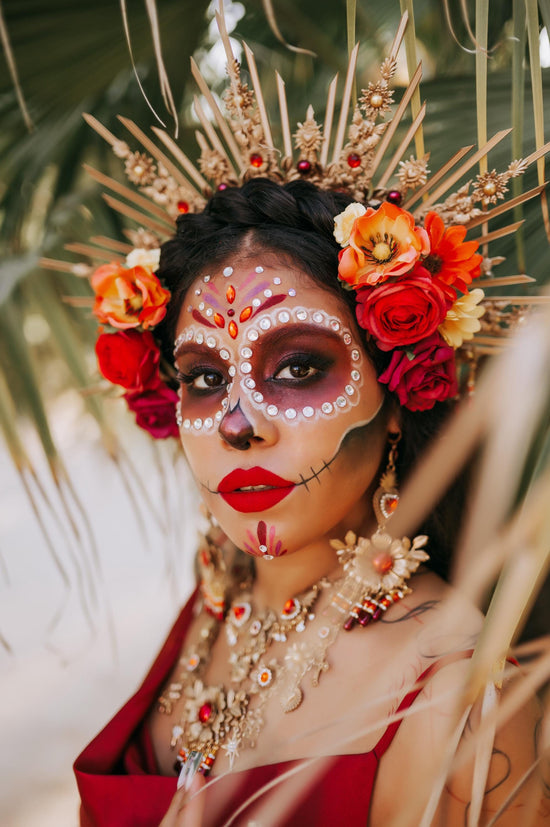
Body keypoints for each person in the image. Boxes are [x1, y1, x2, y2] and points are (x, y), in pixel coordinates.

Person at [74, 178, 547, 826]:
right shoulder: (222, 598)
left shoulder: (458, 692)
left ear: (397, 396)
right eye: (206, 378)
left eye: (298, 367)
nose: (240, 423)